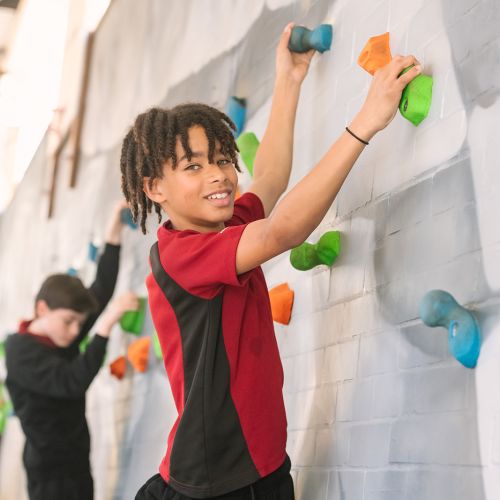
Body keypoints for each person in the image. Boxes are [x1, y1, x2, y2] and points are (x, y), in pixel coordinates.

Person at [120, 22, 421, 500]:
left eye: (222, 159)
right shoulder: (183, 255)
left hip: (257, 466)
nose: (219, 174)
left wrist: (289, 80)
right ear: (154, 188)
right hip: (217, 483)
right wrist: (365, 122)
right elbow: (283, 230)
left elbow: (271, 178)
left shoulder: (222, 230)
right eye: (193, 166)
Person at [5, 200, 139, 500]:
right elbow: (71, 382)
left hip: (76, 458)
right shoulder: (20, 350)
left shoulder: (60, 336)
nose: (76, 331)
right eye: (69, 321)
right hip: (49, 472)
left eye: (80, 323)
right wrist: (104, 329)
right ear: (42, 309)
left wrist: (113, 233)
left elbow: (100, 291)